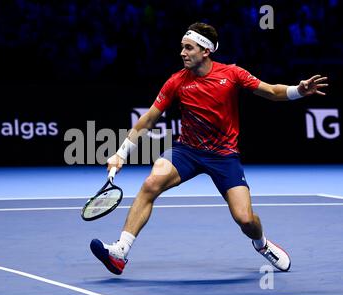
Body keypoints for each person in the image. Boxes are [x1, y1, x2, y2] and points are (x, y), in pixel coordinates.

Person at [90, 22, 328, 275]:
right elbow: (149, 118)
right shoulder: (176, 82)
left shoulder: (232, 74)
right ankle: (120, 252)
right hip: (187, 151)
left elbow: (271, 91)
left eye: (188, 48)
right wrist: (121, 153)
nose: (182, 53)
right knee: (151, 184)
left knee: (245, 220)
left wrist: (298, 91)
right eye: (182, 47)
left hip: (224, 156)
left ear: (205, 51)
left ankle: (262, 244)